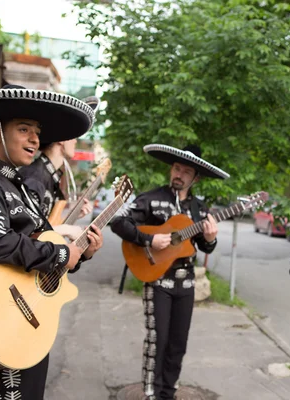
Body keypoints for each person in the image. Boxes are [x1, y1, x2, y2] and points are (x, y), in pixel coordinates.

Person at [0, 85, 104, 399]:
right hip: (0, 320)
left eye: (37, 132)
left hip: (28, 317)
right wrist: (61, 253)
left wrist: (79, 253)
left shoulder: (16, 185)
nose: (34, 139)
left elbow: (45, 240)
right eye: (23, 130)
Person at [110, 144, 229, 400]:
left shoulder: (200, 208)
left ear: (195, 178)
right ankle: (151, 393)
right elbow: (118, 221)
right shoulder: (151, 198)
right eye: (176, 168)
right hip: (157, 280)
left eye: (186, 171)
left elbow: (204, 245)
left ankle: (168, 392)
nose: (179, 174)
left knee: (178, 343)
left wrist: (210, 238)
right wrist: (148, 240)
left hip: (185, 283)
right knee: (157, 340)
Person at [19, 95, 100, 240]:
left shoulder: (50, 175)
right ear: (62, 140)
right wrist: (66, 229)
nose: (75, 141)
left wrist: (73, 216)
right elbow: (26, 235)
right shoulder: (34, 178)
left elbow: (45, 228)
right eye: (73, 136)